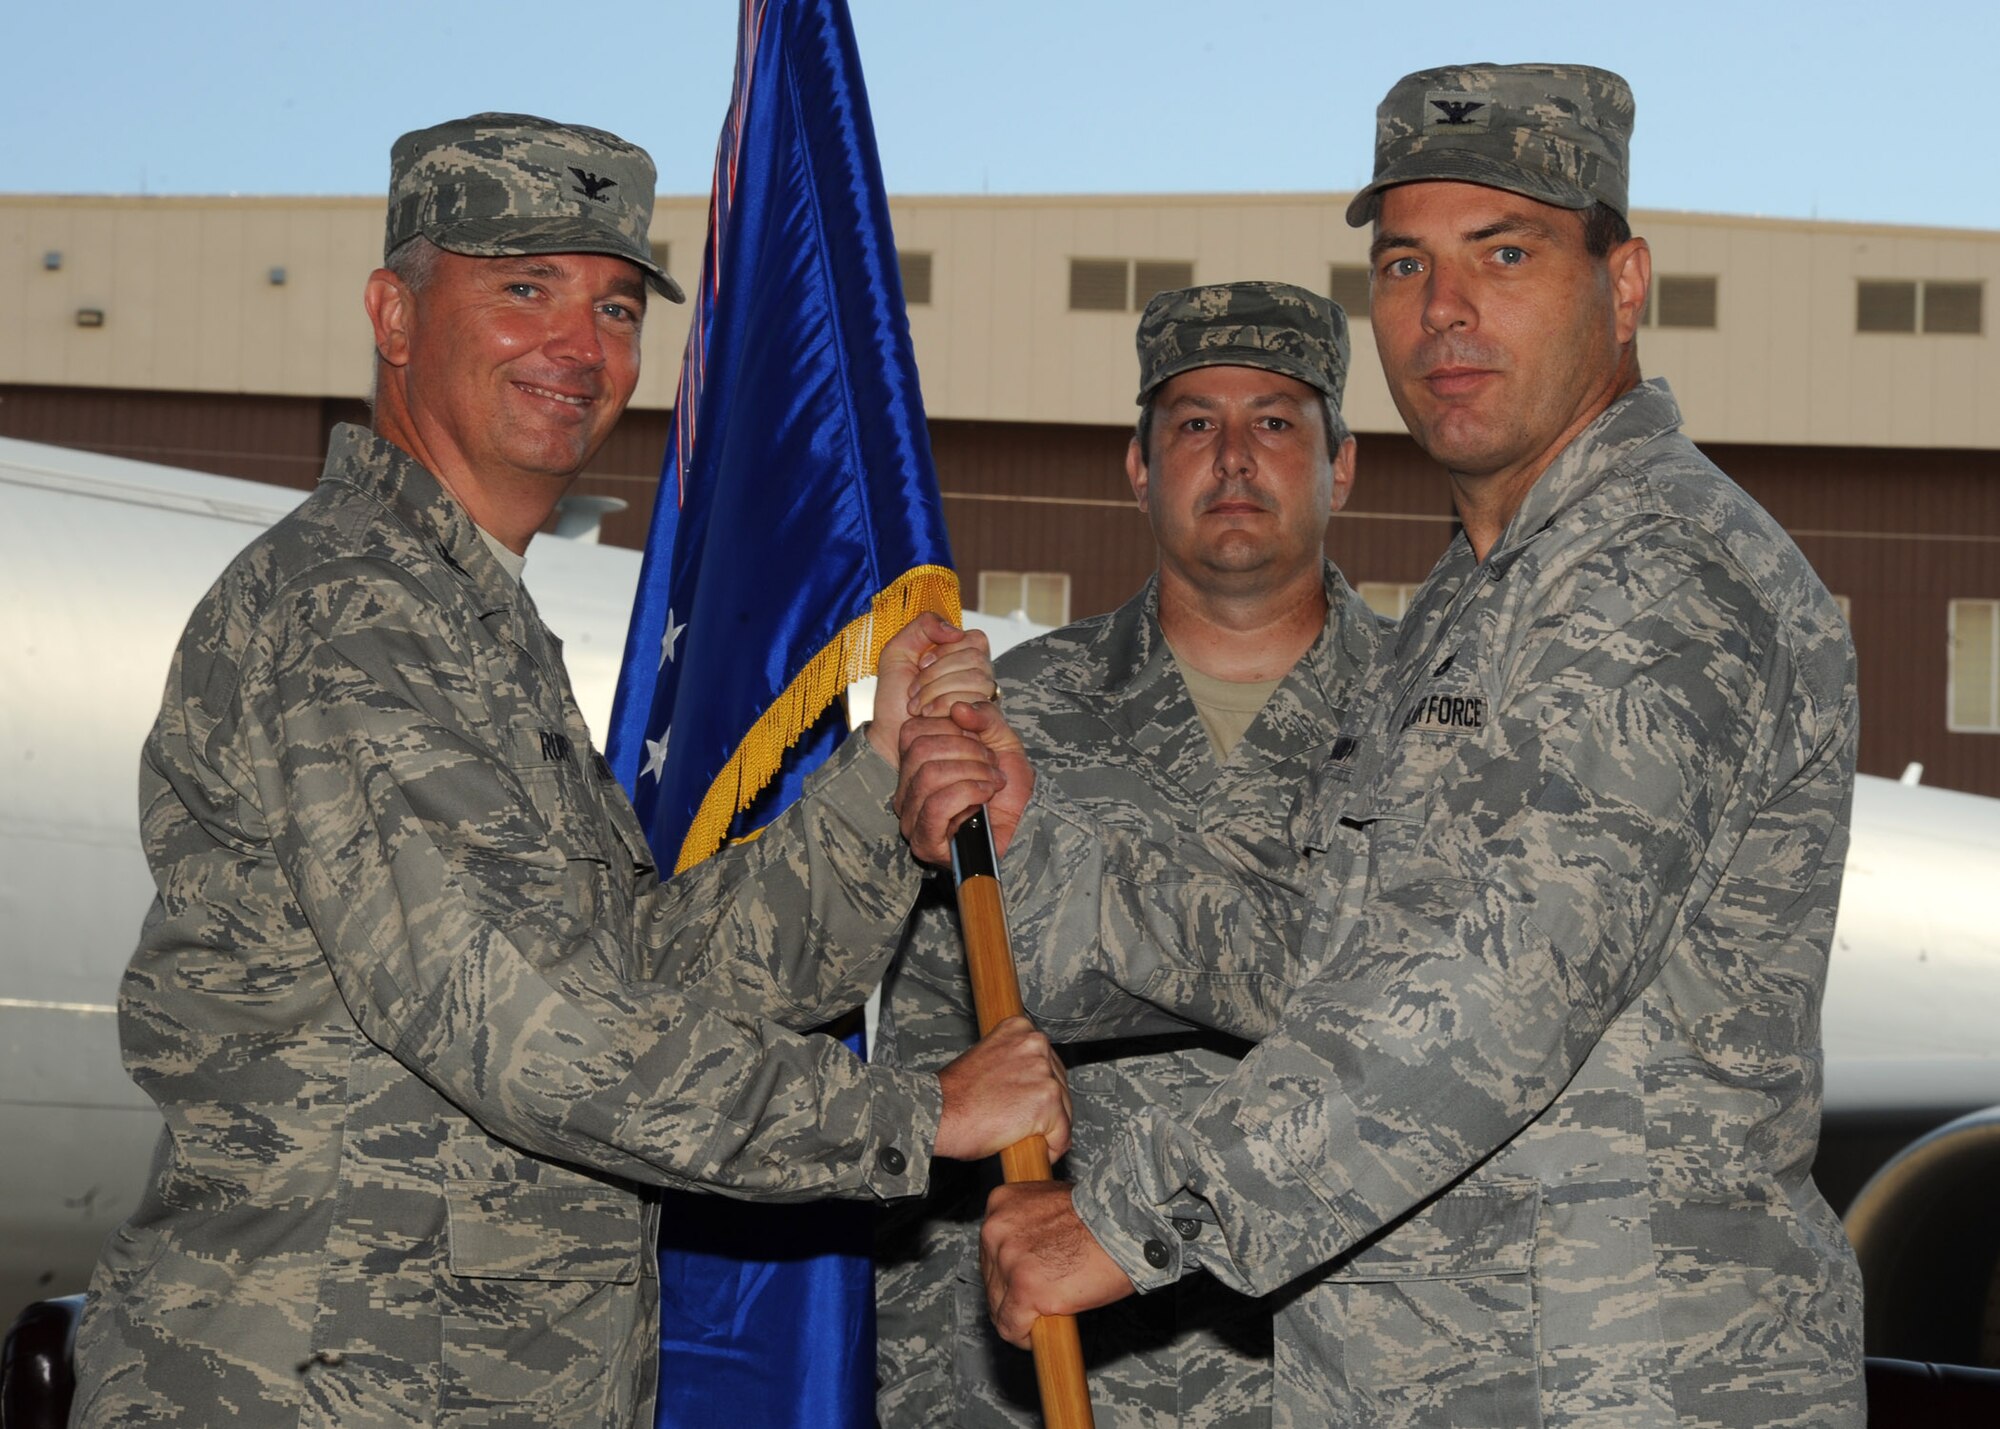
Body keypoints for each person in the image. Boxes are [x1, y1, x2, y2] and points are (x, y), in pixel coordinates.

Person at [68, 112, 1069, 1428]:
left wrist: (881, 787)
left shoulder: (472, 627)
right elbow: (524, 1023)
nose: (578, 345)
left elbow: (648, 971)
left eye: (611, 305)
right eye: (522, 287)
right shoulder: (347, 611)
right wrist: (909, 1111)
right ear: (393, 313)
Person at [909, 64, 1867, 1427]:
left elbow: (1490, 988)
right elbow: (1335, 958)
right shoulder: (1482, 595)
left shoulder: (1653, 574)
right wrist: (1034, 837)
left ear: (1627, 283)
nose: (1447, 311)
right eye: (1407, 263)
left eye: (1509, 253)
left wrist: (1131, 1220)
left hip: (1621, 1377)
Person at [873, 281, 1386, 1427]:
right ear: (1138, 467)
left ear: (1341, 465)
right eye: (1194, 424)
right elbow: (932, 1066)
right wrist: (922, 1396)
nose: (1234, 457)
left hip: (1340, 1375)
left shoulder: (1435, 724)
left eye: (1275, 421)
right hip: (1055, 1379)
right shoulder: (1011, 720)